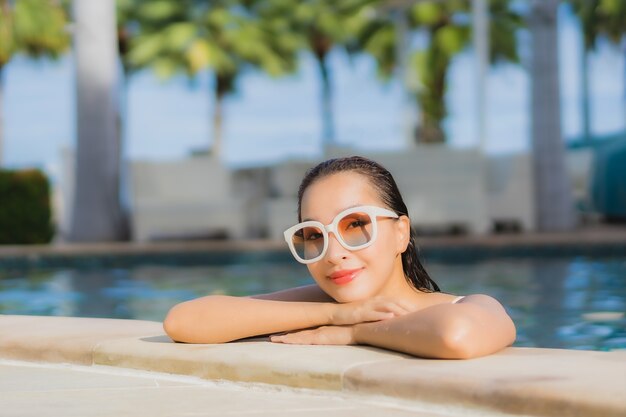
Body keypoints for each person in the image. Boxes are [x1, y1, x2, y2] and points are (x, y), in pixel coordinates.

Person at [163, 156, 516, 359]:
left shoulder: (467, 305)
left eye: (355, 224)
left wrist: (353, 332)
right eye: (313, 235)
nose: (334, 254)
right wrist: (336, 313)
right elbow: (184, 321)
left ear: (400, 233)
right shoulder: (324, 303)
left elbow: (456, 335)